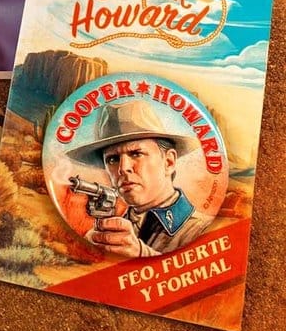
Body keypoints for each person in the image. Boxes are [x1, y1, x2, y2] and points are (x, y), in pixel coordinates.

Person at [68, 101, 214, 258]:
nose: (123, 168)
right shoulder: (109, 232)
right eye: (112, 159)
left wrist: (141, 255)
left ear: (169, 162)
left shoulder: (203, 230)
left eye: (136, 154)